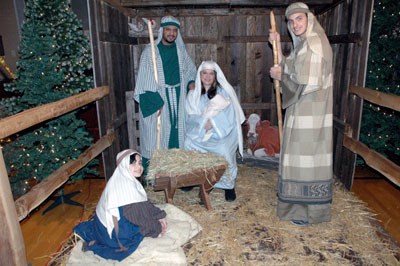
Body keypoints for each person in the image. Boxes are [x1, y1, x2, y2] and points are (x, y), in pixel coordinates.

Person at [269, 2, 333, 226]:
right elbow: (297, 69)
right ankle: (298, 207)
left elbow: (307, 84)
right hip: (302, 110)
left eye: (299, 19)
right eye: (291, 20)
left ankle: (306, 212)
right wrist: (278, 48)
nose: (295, 24)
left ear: (309, 19)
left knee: (306, 161)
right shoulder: (306, 44)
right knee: (299, 160)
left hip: (311, 114)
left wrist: (281, 77)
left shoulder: (314, 45)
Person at [73, 149, 167, 261]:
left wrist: (160, 215)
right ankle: (94, 245)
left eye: (139, 163)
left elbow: (144, 204)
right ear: (123, 165)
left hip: (105, 225)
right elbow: (139, 216)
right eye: (133, 163)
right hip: (114, 236)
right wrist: (157, 227)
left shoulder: (120, 178)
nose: (138, 167)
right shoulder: (126, 187)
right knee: (138, 232)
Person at [133, 16, 197, 175]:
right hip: (159, 98)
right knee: (156, 135)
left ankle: (178, 173)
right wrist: (155, 101)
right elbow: (143, 79)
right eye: (168, 29)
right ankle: (154, 175)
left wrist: (191, 83)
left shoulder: (181, 52)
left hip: (179, 96)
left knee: (178, 132)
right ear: (162, 31)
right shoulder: (150, 52)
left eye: (175, 30)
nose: (172, 33)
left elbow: (191, 71)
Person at [184, 61, 246, 201]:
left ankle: (228, 186)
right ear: (199, 75)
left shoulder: (223, 92)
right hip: (200, 132)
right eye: (204, 73)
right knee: (188, 143)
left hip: (221, 133)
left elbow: (229, 115)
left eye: (211, 74)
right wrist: (202, 123)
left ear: (215, 76)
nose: (207, 77)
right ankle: (192, 179)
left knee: (224, 150)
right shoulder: (193, 94)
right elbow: (190, 116)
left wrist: (213, 123)